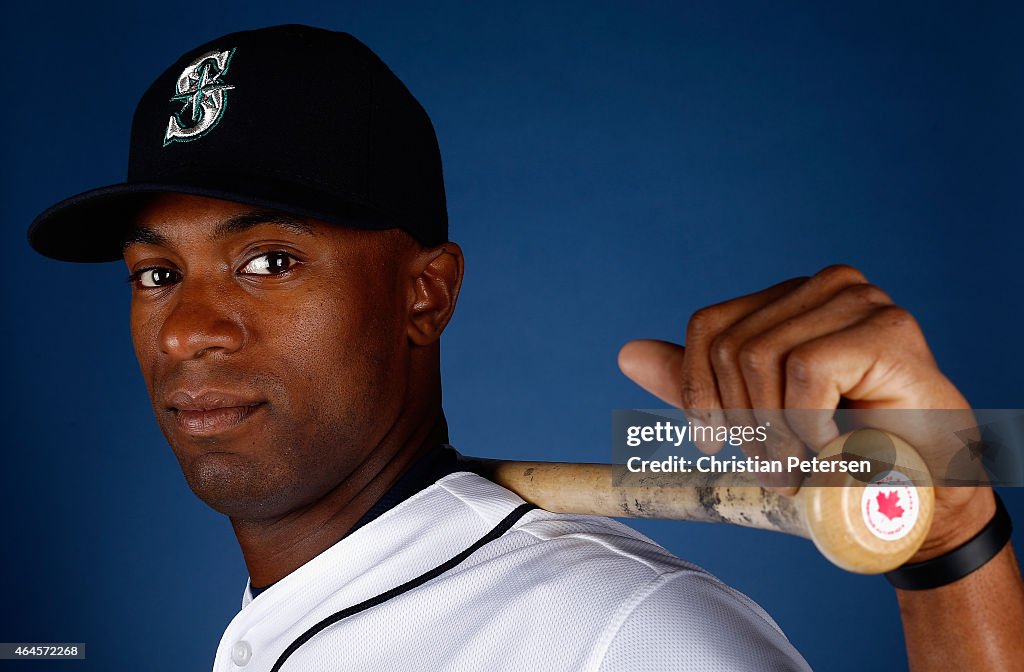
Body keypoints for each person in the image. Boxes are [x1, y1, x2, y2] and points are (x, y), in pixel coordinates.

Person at [27, 24, 1023, 671]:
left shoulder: (620, 637)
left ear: (426, 293)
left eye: (271, 261)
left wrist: (950, 538)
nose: (190, 329)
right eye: (156, 275)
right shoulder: (290, 612)